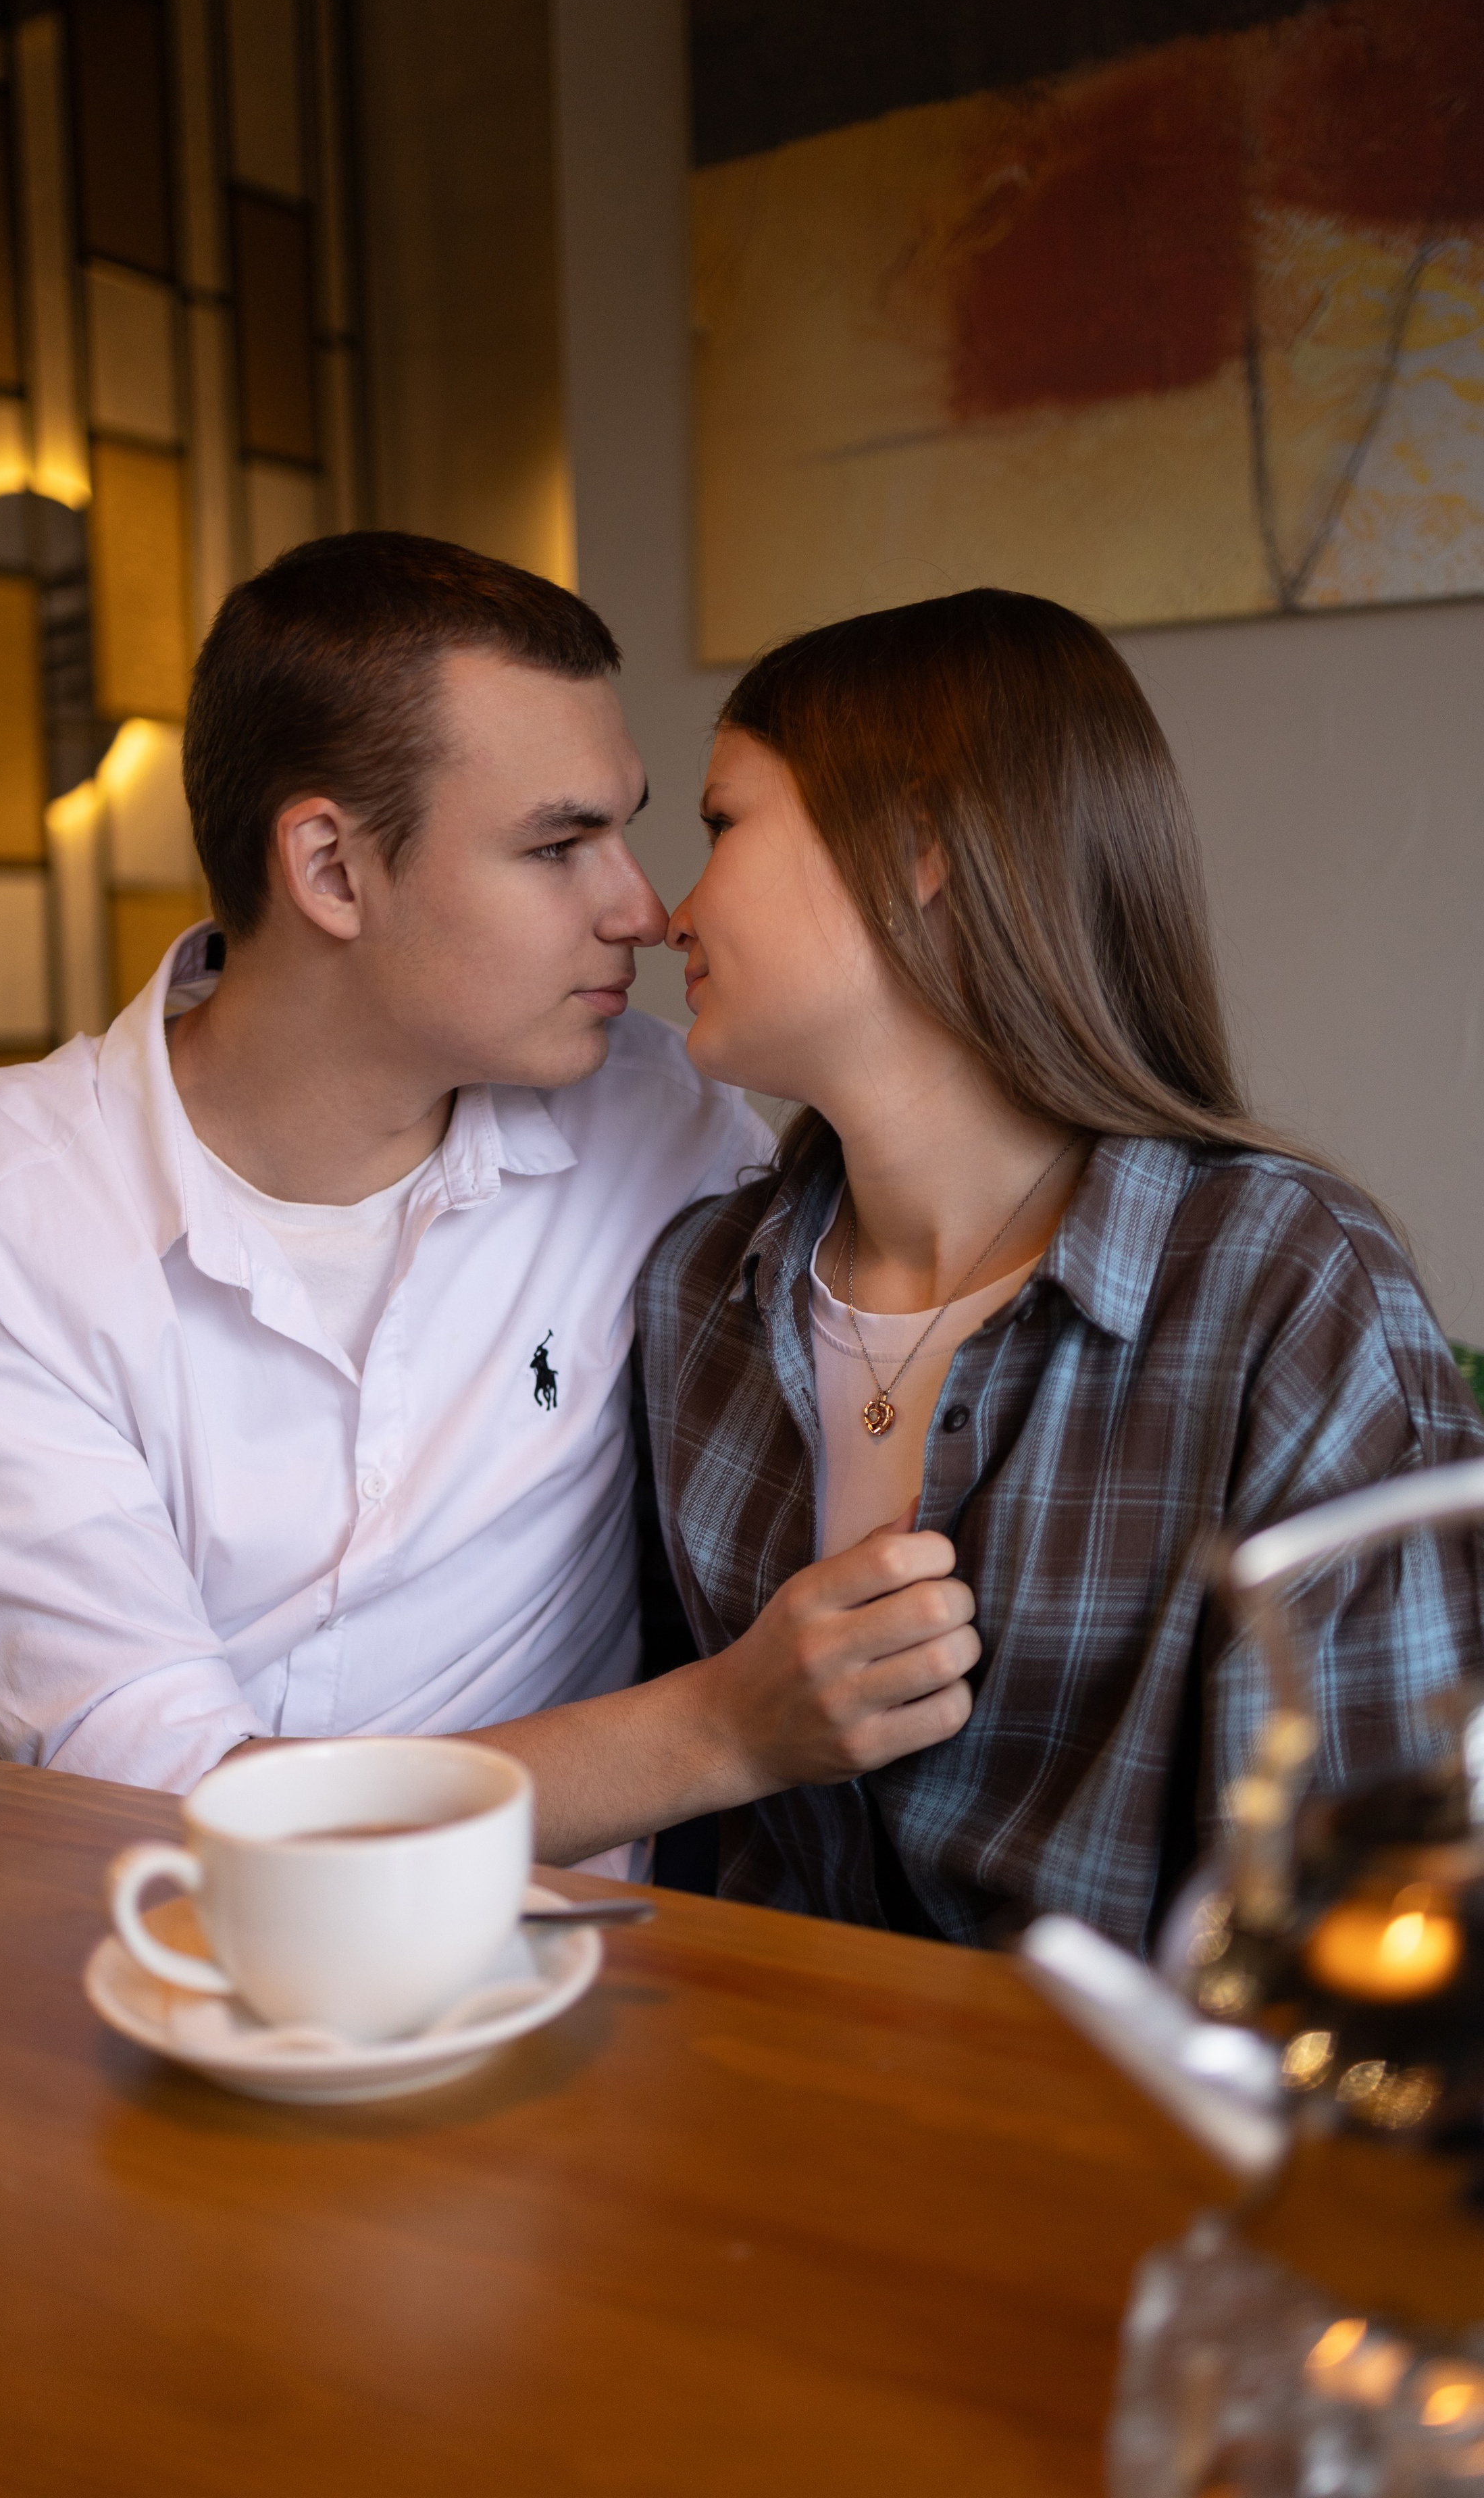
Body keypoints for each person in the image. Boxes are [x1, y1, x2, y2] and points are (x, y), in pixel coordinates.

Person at [0, 532, 979, 1877]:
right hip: (181, 1977)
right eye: (559, 844)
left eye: (632, 827)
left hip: (592, 1983)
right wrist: (720, 1734)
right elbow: (150, 1796)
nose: (640, 908)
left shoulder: (655, 1120)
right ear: (329, 870)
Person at [631, 587, 1484, 1949]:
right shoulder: (693, 1290)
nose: (661, 911)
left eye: (719, 824)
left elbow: (1358, 1919)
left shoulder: (1279, 1284)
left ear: (914, 843)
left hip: (1133, 2141)